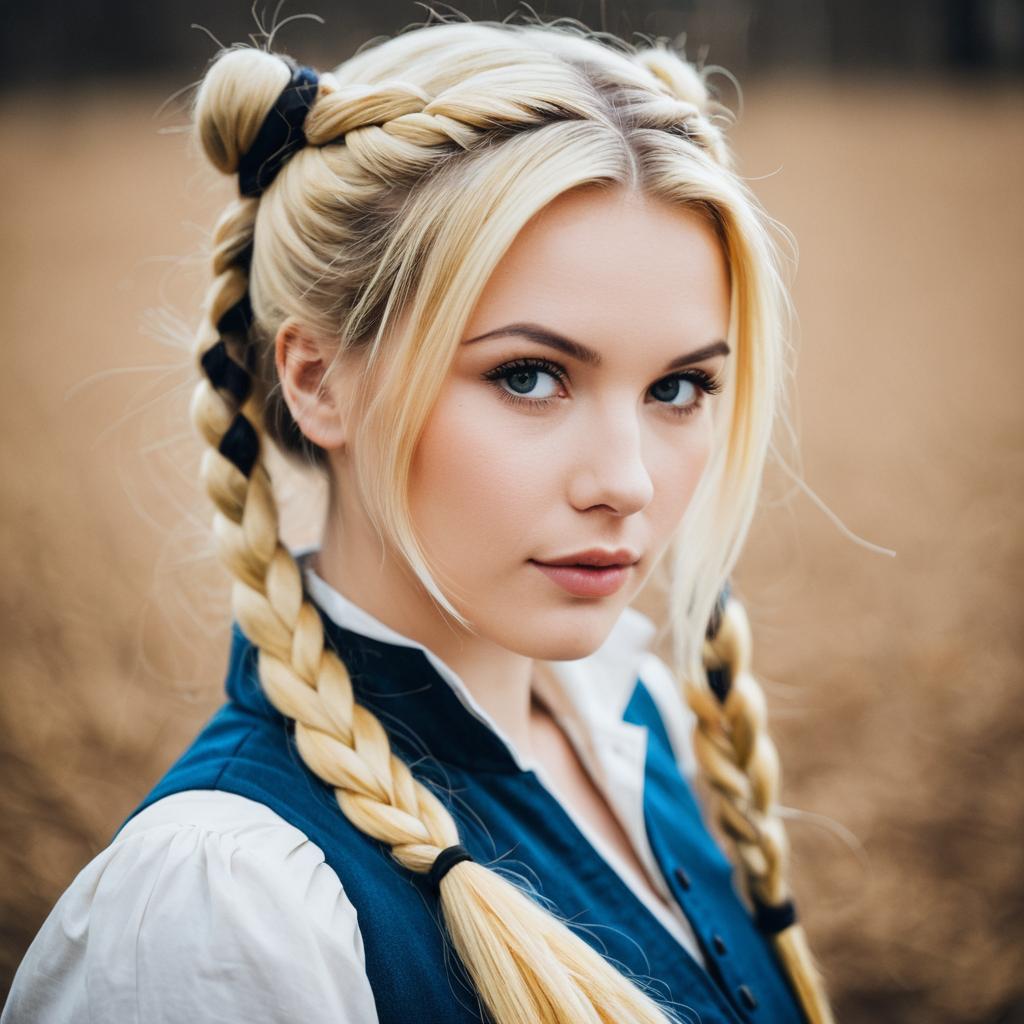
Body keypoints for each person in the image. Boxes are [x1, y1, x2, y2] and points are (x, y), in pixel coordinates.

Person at [3, 16, 835, 1024]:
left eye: (678, 387)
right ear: (318, 381)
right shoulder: (223, 910)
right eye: (529, 376)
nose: (629, 482)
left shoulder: (634, 712)